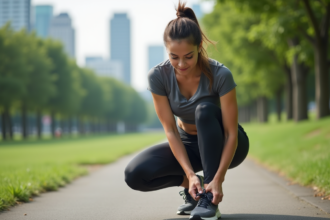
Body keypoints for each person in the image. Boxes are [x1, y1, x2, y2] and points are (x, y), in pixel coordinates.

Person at [124, 1, 249, 219]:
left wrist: (219, 178)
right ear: (167, 50)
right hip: (189, 145)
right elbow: (171, 130)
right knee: (135, 174)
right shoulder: (158, 76)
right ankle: (198, 187)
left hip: (225, 144)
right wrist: (190, 175)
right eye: (174, 57)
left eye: (188, 56)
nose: (181, 64)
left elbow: (230, 133)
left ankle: (209, 198)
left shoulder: (221, 74)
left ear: (199, 46)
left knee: (204, 110)